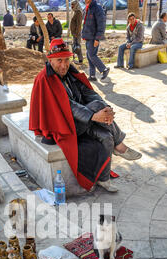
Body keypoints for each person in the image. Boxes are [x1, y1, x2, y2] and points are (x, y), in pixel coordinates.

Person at [29, 38, 142, 194]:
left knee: (106, 136)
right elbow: (68, 105)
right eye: (59, 60)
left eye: (66, 59)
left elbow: (89, 93)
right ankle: (120, 145)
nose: (64, 64)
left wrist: (106, 109)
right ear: (50, 60)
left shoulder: (69, 73)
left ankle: (103, 179)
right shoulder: (44, 79)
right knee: (97, 106)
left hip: (79, 121)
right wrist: (94, 116)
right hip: (61, 126)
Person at [82, 0, 109, 82]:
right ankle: (92, 75)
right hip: (88, 37)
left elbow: (101, 24)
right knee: (89, 55)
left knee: (92, 55)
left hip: (93, 37)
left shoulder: (97, 8)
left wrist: (97, 38)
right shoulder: (87, 8)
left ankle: (104, 69)